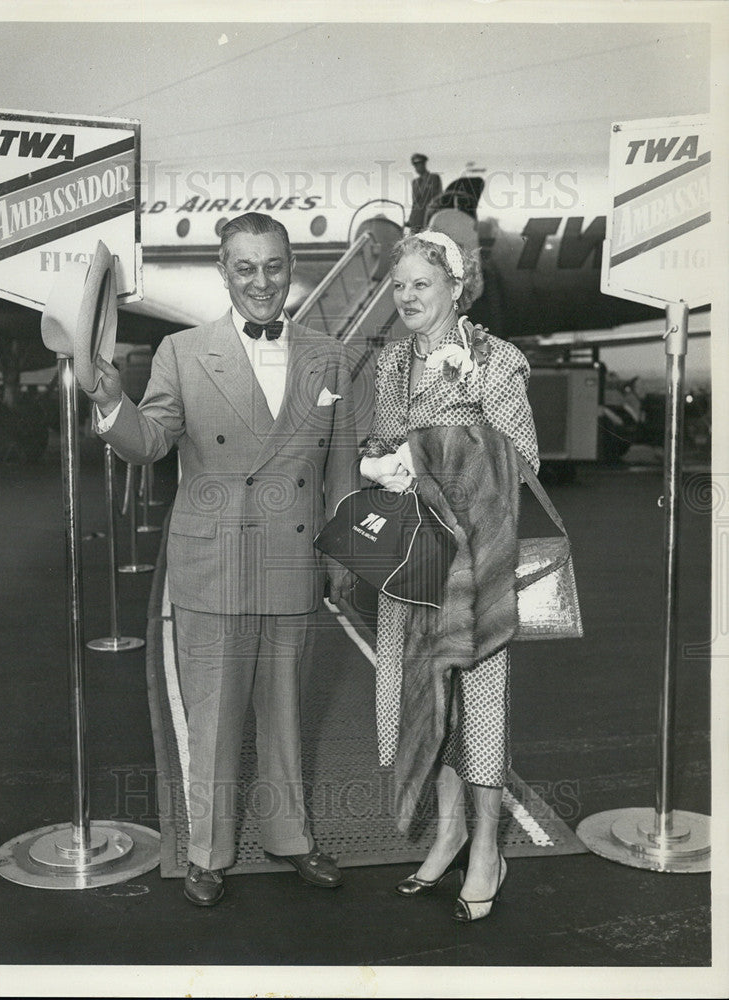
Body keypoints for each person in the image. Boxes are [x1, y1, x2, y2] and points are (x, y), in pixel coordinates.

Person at [84, 212, 359, 907]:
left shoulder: (328, 355)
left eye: (273, 266)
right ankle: (206, 851)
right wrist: (113, 403)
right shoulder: (182, 352)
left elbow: (341, 470)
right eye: (245, 267)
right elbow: (149, 444)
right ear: (224, 272)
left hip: (294, 557)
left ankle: (290, 837)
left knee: (286, 713)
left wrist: (344, 556)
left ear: (290, 267)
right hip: (214, 561)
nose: (261, 282)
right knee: (212, 719)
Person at [360, 230, 539, 922]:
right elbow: (379, 441)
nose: (406, 297)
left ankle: (487, 846)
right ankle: (448, 830)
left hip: (478, 558)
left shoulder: (495, 361)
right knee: (421, 696)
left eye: (420, 285)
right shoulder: (389, 365)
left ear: (454, 288)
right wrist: (382, 462)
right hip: (412, 560)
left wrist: (433, 454)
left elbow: (524, 460)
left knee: (482, 705)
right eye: (398, 285)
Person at [408, 153, 443, 233]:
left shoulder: (434, 178)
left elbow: (439, 197)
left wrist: (434, 210)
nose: (417, 168)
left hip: (429, 216)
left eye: (419, 164)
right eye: (415, 166)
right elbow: (414, 202)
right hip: (416, 218)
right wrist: (410, 219)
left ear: (424, 164)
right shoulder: (415, 182)